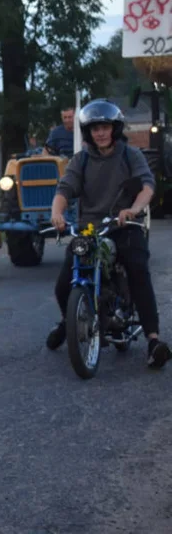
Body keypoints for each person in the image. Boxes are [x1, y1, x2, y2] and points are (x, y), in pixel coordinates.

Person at [46, 99, 170, 368]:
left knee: (138, 271)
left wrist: (134, 210)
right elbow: (64, 189)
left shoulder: (130, 155)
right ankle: (70, 321)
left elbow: (146, 186)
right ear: (87, 132)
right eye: (94, 129)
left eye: (104, 127)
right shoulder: (81, 160)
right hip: (90, 230)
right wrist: (57, 213)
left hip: (123, 226)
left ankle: (153, 340)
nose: (100, 133)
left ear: (114, 129)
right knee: (63, 283)